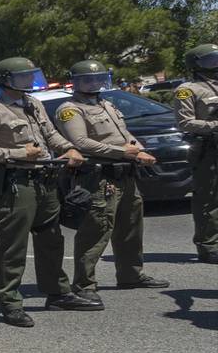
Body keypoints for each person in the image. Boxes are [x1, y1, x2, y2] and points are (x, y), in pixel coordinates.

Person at [0, 57, 90, 326]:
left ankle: (57, 292)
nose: (30, 81)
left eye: (31, 75)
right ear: (6, 79)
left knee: (52, 238)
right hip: (14, 183)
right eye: (23, 77)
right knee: (13, 244)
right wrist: (18, 153)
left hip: (44, 180)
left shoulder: (32, 104)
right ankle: (9, 301)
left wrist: (67, 148)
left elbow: (50, 135)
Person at [54, 60, 169, 298]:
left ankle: (130, 274)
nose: (94, 83)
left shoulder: (106, 104)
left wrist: (140, 150)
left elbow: (124, 134)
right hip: (100, 177)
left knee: (131, 226)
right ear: (76, 82)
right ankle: (84, 284)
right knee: (96, 229)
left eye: (98, 78)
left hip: (125, 173)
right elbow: (81, 143)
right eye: (88, 79)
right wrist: (123, 152)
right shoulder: (71, 109)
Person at [176, 44, 218, 264]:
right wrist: (214, 125)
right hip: (208, 149)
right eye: (211, 60)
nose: (216, 64)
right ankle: (208, 245)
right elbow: (185, 122)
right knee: (208, 198)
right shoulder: (188, 89)